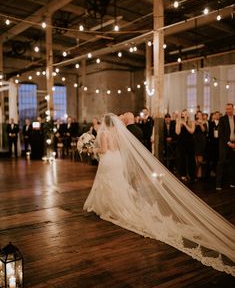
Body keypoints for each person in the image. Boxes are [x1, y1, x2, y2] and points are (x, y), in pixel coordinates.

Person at [84, 113, 234, 276]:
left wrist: (93, 148)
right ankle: (117, 206)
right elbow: (119, 148)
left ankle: (112, 207)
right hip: (117, 160)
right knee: (117, 184)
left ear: (105, 124)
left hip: (109, 161)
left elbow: (105, 149)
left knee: (109, 184)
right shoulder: (118, 133)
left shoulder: (105, 133)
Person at [216, 103, 235, 190]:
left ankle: (232, 182)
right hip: (224, 144)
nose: (227, 110)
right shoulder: (222, 119)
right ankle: (218, 184)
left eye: (229, 109)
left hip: (233, 144)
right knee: (221, 163)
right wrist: (228, 143)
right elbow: (221, 133)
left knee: (232, 164)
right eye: (226, 109)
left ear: (233, 109)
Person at [175, 109, 195, 182]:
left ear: (188, 115)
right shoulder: (178, 121)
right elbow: (177, 132)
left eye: (186, 114)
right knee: (182, 159)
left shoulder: (191, 121)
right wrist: (180, 124)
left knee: (191, 159)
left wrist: (185, 124)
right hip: (181, 142)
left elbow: (192, 131)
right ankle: (182, 175)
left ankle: (191, 175)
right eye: (183, 114)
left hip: (190, 142)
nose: (184, 115)